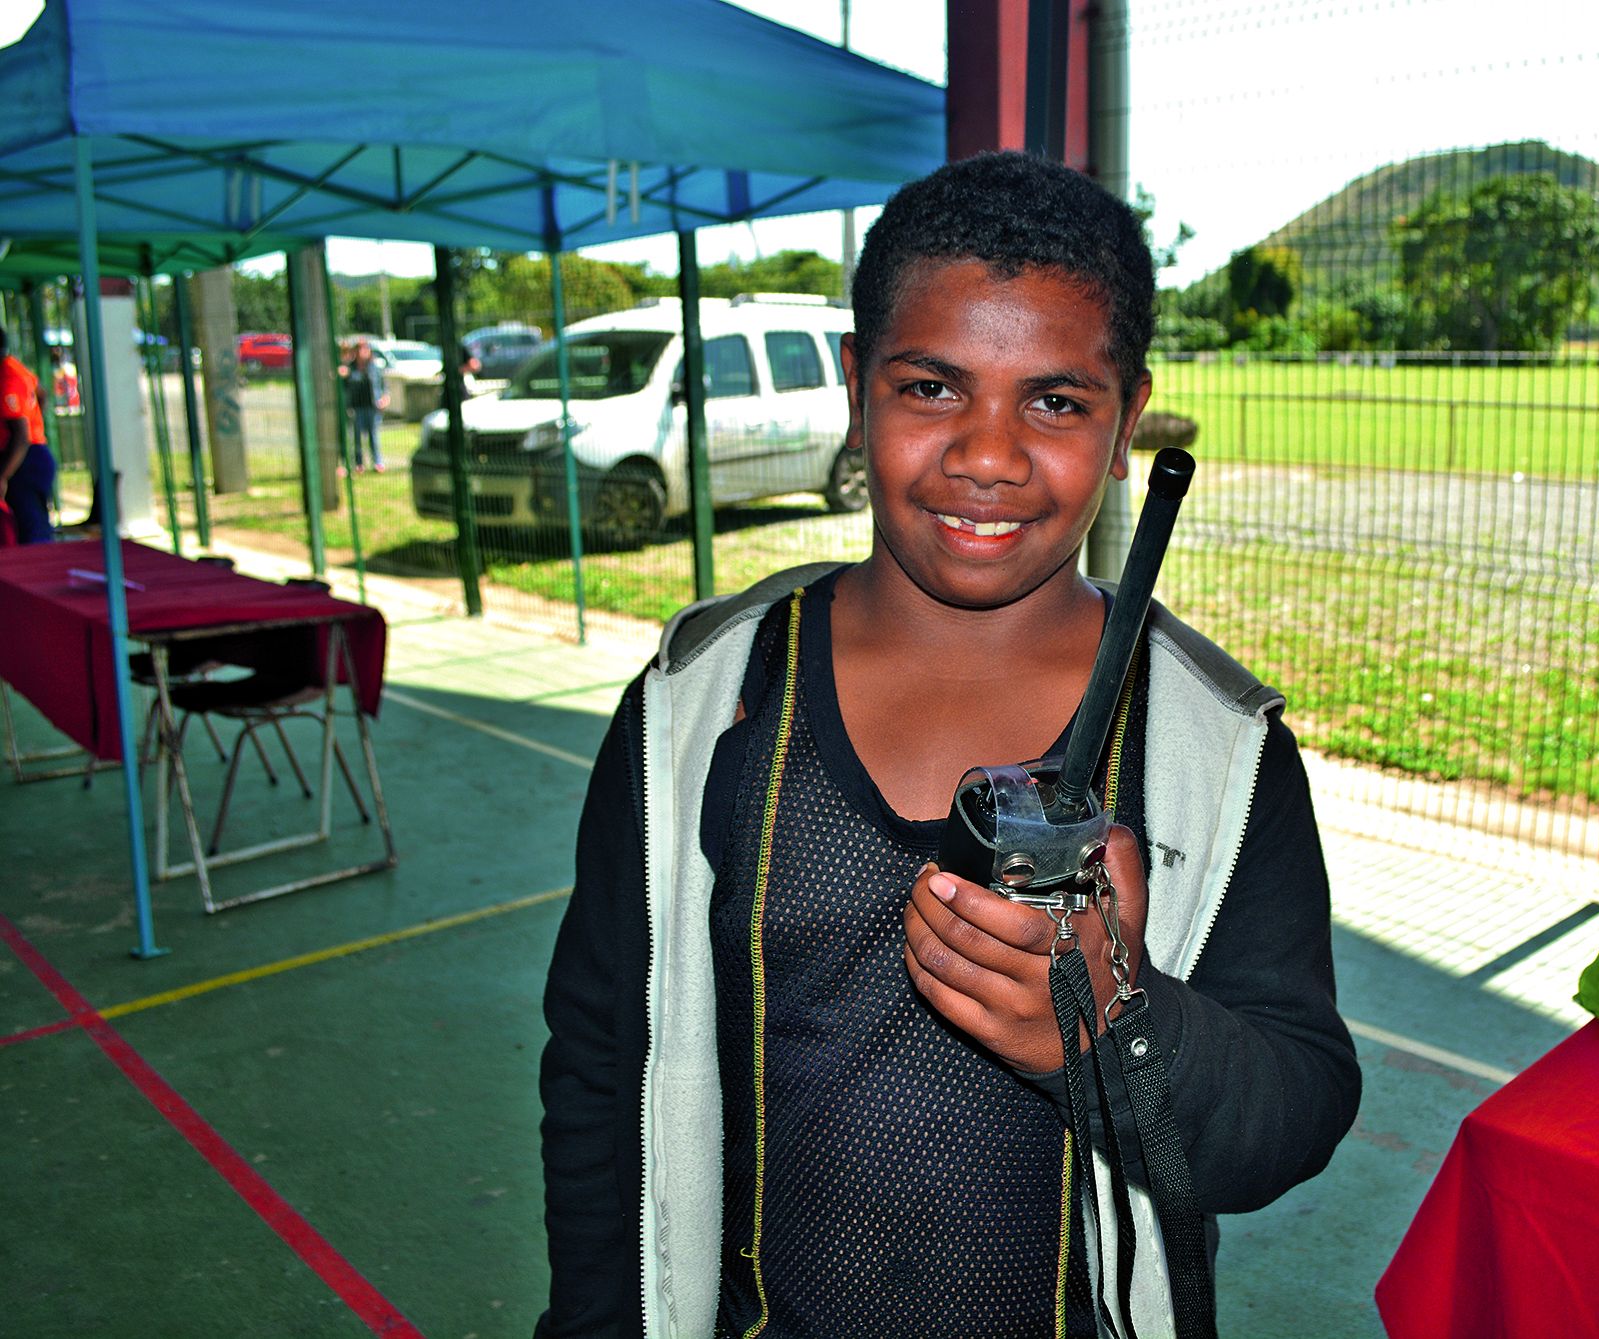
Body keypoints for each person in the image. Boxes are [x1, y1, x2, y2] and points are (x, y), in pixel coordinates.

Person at [536, 151, 1360, 1339]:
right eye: (932, 387)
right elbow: (600, 1067)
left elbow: (1289, 1115)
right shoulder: (701, 698)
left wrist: (1113, 1027)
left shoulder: (1214, 749)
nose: (987, 454)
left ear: (1127, 423)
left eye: (1055, 401)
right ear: (858, 389)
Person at [0, 327, 57, 544]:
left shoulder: (7, 378)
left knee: (32, 532)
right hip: (32, 455)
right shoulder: (17, 367)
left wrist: (3, 476)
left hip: (25, 458)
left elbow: (20, 436)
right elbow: (42, 394)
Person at [336, 338, 389, 473]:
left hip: (372, 406)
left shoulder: (374, 367)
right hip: (356, 407)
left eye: (365, 348)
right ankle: (359, 464)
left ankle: (378, 462)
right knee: (357, 436)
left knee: (373, 436)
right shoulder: (350, 368)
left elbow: (383, 386)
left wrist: (384, 398)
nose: (362, 352)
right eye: (359, 349)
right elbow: (344, 387)